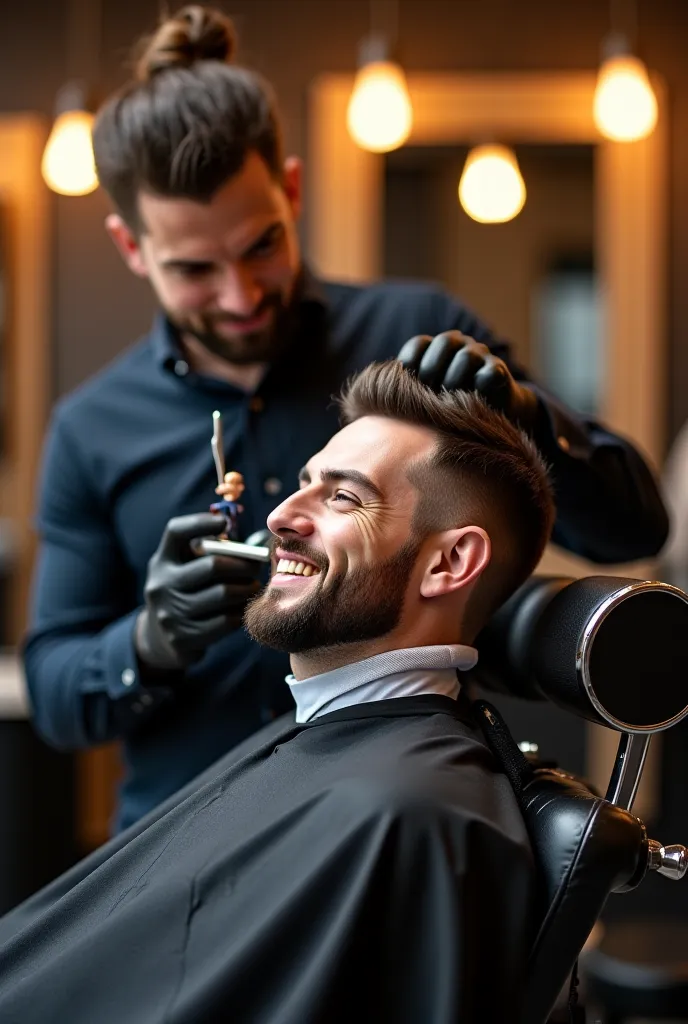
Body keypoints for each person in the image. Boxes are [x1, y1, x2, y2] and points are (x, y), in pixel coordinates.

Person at [23, 4, 669, 832]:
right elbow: (54, 694)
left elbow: (634, 527)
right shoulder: (92, 428)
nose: (240, 295)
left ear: (291, 190)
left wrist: (529, 416)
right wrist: (148, 641)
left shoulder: (419, 329)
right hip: (186, 838)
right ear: (130, 247)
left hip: (394, 818)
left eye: (261, 245)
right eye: (194, 269)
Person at [0, 362, 554, 1023]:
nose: (283, 516)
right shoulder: (344, 754)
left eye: (343, 498)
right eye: (303, 484)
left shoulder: (410, 815)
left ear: (448, 563)